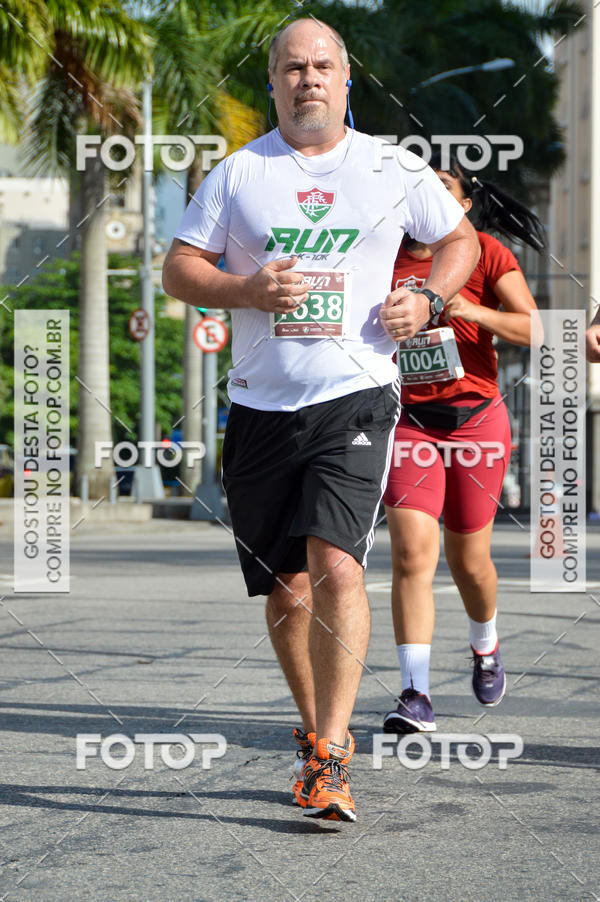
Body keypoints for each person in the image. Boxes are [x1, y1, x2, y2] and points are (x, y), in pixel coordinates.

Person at [162, 20, 479, 822]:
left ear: (347, 80)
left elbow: (461, 240)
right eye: (292, 67)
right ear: (272, 81)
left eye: (322, 66)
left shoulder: (391, 166)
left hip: (359, 393)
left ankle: (334, 753)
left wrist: (429, 298)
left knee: (338, 564)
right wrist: (247, 292)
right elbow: (179, 267)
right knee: (286, 588)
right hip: (262, 404)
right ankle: (313, 733)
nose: (308, 78)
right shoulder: (238, 174)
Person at [382, 155, 544, 734]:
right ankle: (416, 694)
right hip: (409, 421)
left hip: (476, 420)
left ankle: (485, 644)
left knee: (469, 563)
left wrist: (470, 309)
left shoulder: (487, 252)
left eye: (442, 188)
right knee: (410, 555)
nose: (427, 198)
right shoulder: (382, 255)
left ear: (464, 205)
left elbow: (537, 328)